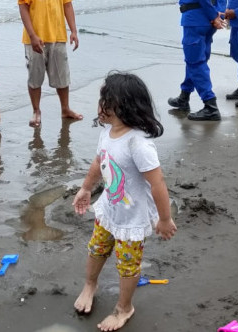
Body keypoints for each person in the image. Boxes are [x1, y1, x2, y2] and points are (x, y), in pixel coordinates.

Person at [72, 72, 177, 331]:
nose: (99, 105)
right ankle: (90, 284)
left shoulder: (138, 143)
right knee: (97, 248)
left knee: (127, 265)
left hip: (132, 218)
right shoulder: (108, 131)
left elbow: (158, 183)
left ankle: (124, 308)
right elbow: (100, 161)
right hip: (109, 208)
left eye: (105, 100)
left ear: (123, 106)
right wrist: (86, 188)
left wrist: (164, 219)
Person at [18, 0, 83, 128]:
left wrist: (73, 30)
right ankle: (36, 111)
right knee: (35, 77)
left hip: (58, 36)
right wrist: (32, 35)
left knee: (62, 77)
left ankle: (65, 109)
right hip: (35, 39)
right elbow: (23, 8)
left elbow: (67, 5)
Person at [167, 0, 227, 121]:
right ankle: (184, 96)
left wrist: (213, 16)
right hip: (209, 19)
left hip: (195, 18)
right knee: (197, 59)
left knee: (195, 61)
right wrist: (219, 14)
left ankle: (210, 105)